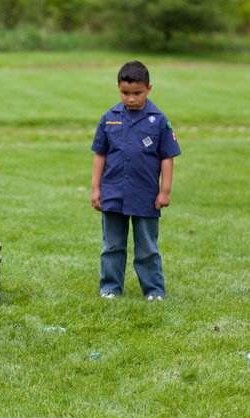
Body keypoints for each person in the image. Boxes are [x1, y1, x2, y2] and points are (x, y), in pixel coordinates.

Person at [90, 61, 181, 301]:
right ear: (118, 88)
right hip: (113, 193)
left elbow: (167, 157)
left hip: (146, 196)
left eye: (137, 93)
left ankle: (153, 291)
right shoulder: (108, 119)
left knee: (147, 247)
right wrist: (95, 188)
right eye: (125, 93)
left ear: (149, 88)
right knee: (111, 246)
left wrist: (165, 191)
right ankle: (110, 288)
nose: (131, 99)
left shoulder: (159, 121)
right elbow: (100, 155)